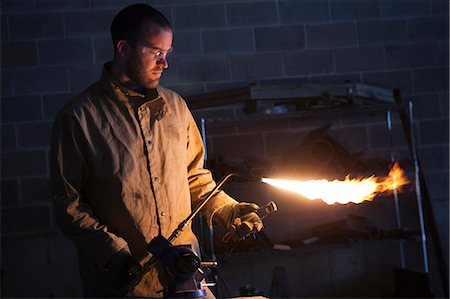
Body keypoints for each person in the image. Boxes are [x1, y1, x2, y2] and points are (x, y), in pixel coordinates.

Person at [50, 3, 263, 298]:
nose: (165, 63)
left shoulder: (175, 108)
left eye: (168, 53)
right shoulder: (79, 118)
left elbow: (196, 178)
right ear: (123, 48)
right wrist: (114, 255)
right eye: (155, 52)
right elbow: (69, 206)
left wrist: (227, 210)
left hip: (186, 280)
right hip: (125, 285)